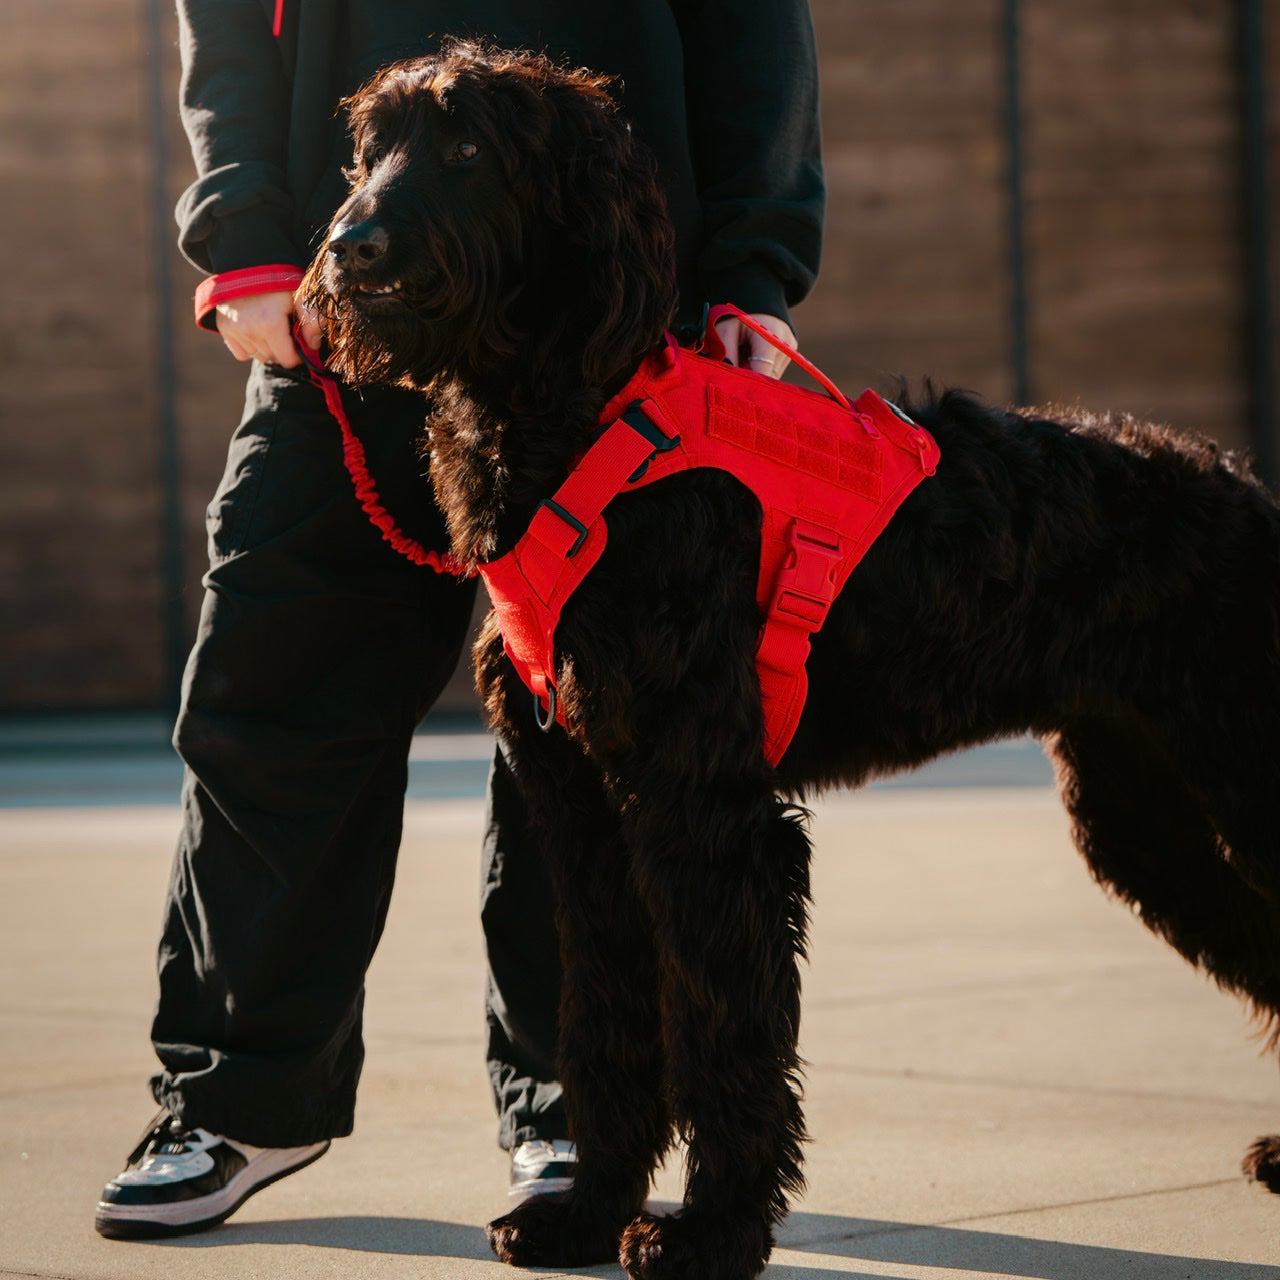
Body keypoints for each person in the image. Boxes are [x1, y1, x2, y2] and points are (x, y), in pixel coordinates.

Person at [94, 0, 824, 1240]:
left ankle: (579, 1107)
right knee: (271, 701)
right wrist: (246, 232)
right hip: (349, 304)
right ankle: (243, 1095)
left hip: (602, 315)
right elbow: (225, 20)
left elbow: (751, 20)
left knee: (595, 754)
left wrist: (751, 263)